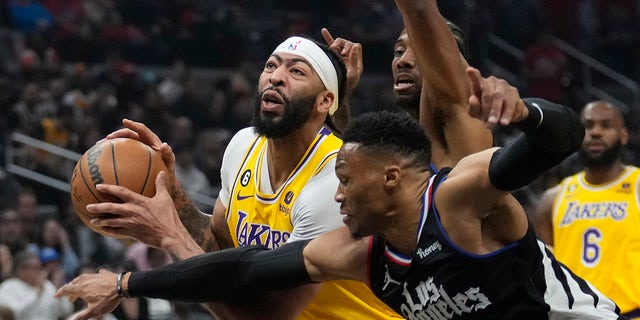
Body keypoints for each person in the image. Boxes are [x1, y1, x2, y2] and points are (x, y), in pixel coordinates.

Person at [57, 98, 623, 319]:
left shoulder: (458, 197)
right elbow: (242, 268)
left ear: (392, 178)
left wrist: (524, 111)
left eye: (345, 181)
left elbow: (559, 141)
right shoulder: (358, 251)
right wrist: (128, 283)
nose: (337, 195)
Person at [69, 34, 400, 320]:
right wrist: (173, 194)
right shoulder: (244, 146)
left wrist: (170, 235)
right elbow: (219, 254)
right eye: (271, 65)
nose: (276, 77)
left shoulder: (334, 181)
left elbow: (263, 315)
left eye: (296, 71)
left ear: (325, 101)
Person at [531, 100, 640, 318]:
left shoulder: (637, 185)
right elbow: (545, 272)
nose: (596, 132)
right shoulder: (552, 199)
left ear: (624, 135)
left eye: (606, 125)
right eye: (588, 126)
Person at [0, 250, 73, 320]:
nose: (40, 271)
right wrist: (36, 292)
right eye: (35, 268)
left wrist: (59, 290)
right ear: (21, 270)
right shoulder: (8, 287)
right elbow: (14, 313)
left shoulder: (47, 285)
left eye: (40, 267)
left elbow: (65, 311)